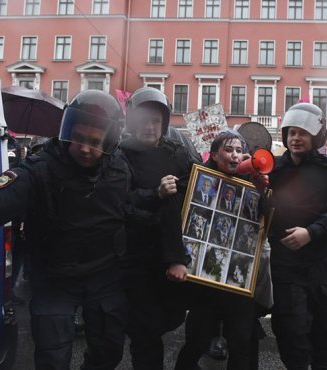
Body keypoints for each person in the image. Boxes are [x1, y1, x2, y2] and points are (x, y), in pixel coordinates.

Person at [0, 90, 129, 369]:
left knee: (109, 353)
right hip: (54, 278)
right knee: (52, 359)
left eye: (95, 142)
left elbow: (142, 207)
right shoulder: (38, 171)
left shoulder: (120, 171)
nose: (84, 148)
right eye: (78, 138)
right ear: (66, 131)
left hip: (103, 278)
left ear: (110, 142)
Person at [267, 103, 327, 370]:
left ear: (315, 137)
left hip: (320, 262)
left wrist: (311, 233)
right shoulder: (273, 172)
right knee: (290, 328)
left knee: (325, 327)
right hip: (285, 265)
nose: (295, 138)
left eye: (303, 133)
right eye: (291, 132)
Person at [175, 130, 273, 370]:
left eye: (240, 150)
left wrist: (262, 193)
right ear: (215, 155)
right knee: (197, 342)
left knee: (240, 344)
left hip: (238, 283)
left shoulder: (253, 183)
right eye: (229, 150)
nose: (235, 155)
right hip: (205, 281)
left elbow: (269, 220)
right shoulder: (197, 177)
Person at [119, 87, 197, 370]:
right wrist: (156, 194)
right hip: (135, 257)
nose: (149, 127)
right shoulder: (120, 155)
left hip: (171, 256)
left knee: (171, 317)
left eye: (155, 121)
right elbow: (121, 199)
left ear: (164, 124)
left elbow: (200, 186)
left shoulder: (177, 153)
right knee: (145, 332)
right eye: (143, 121)